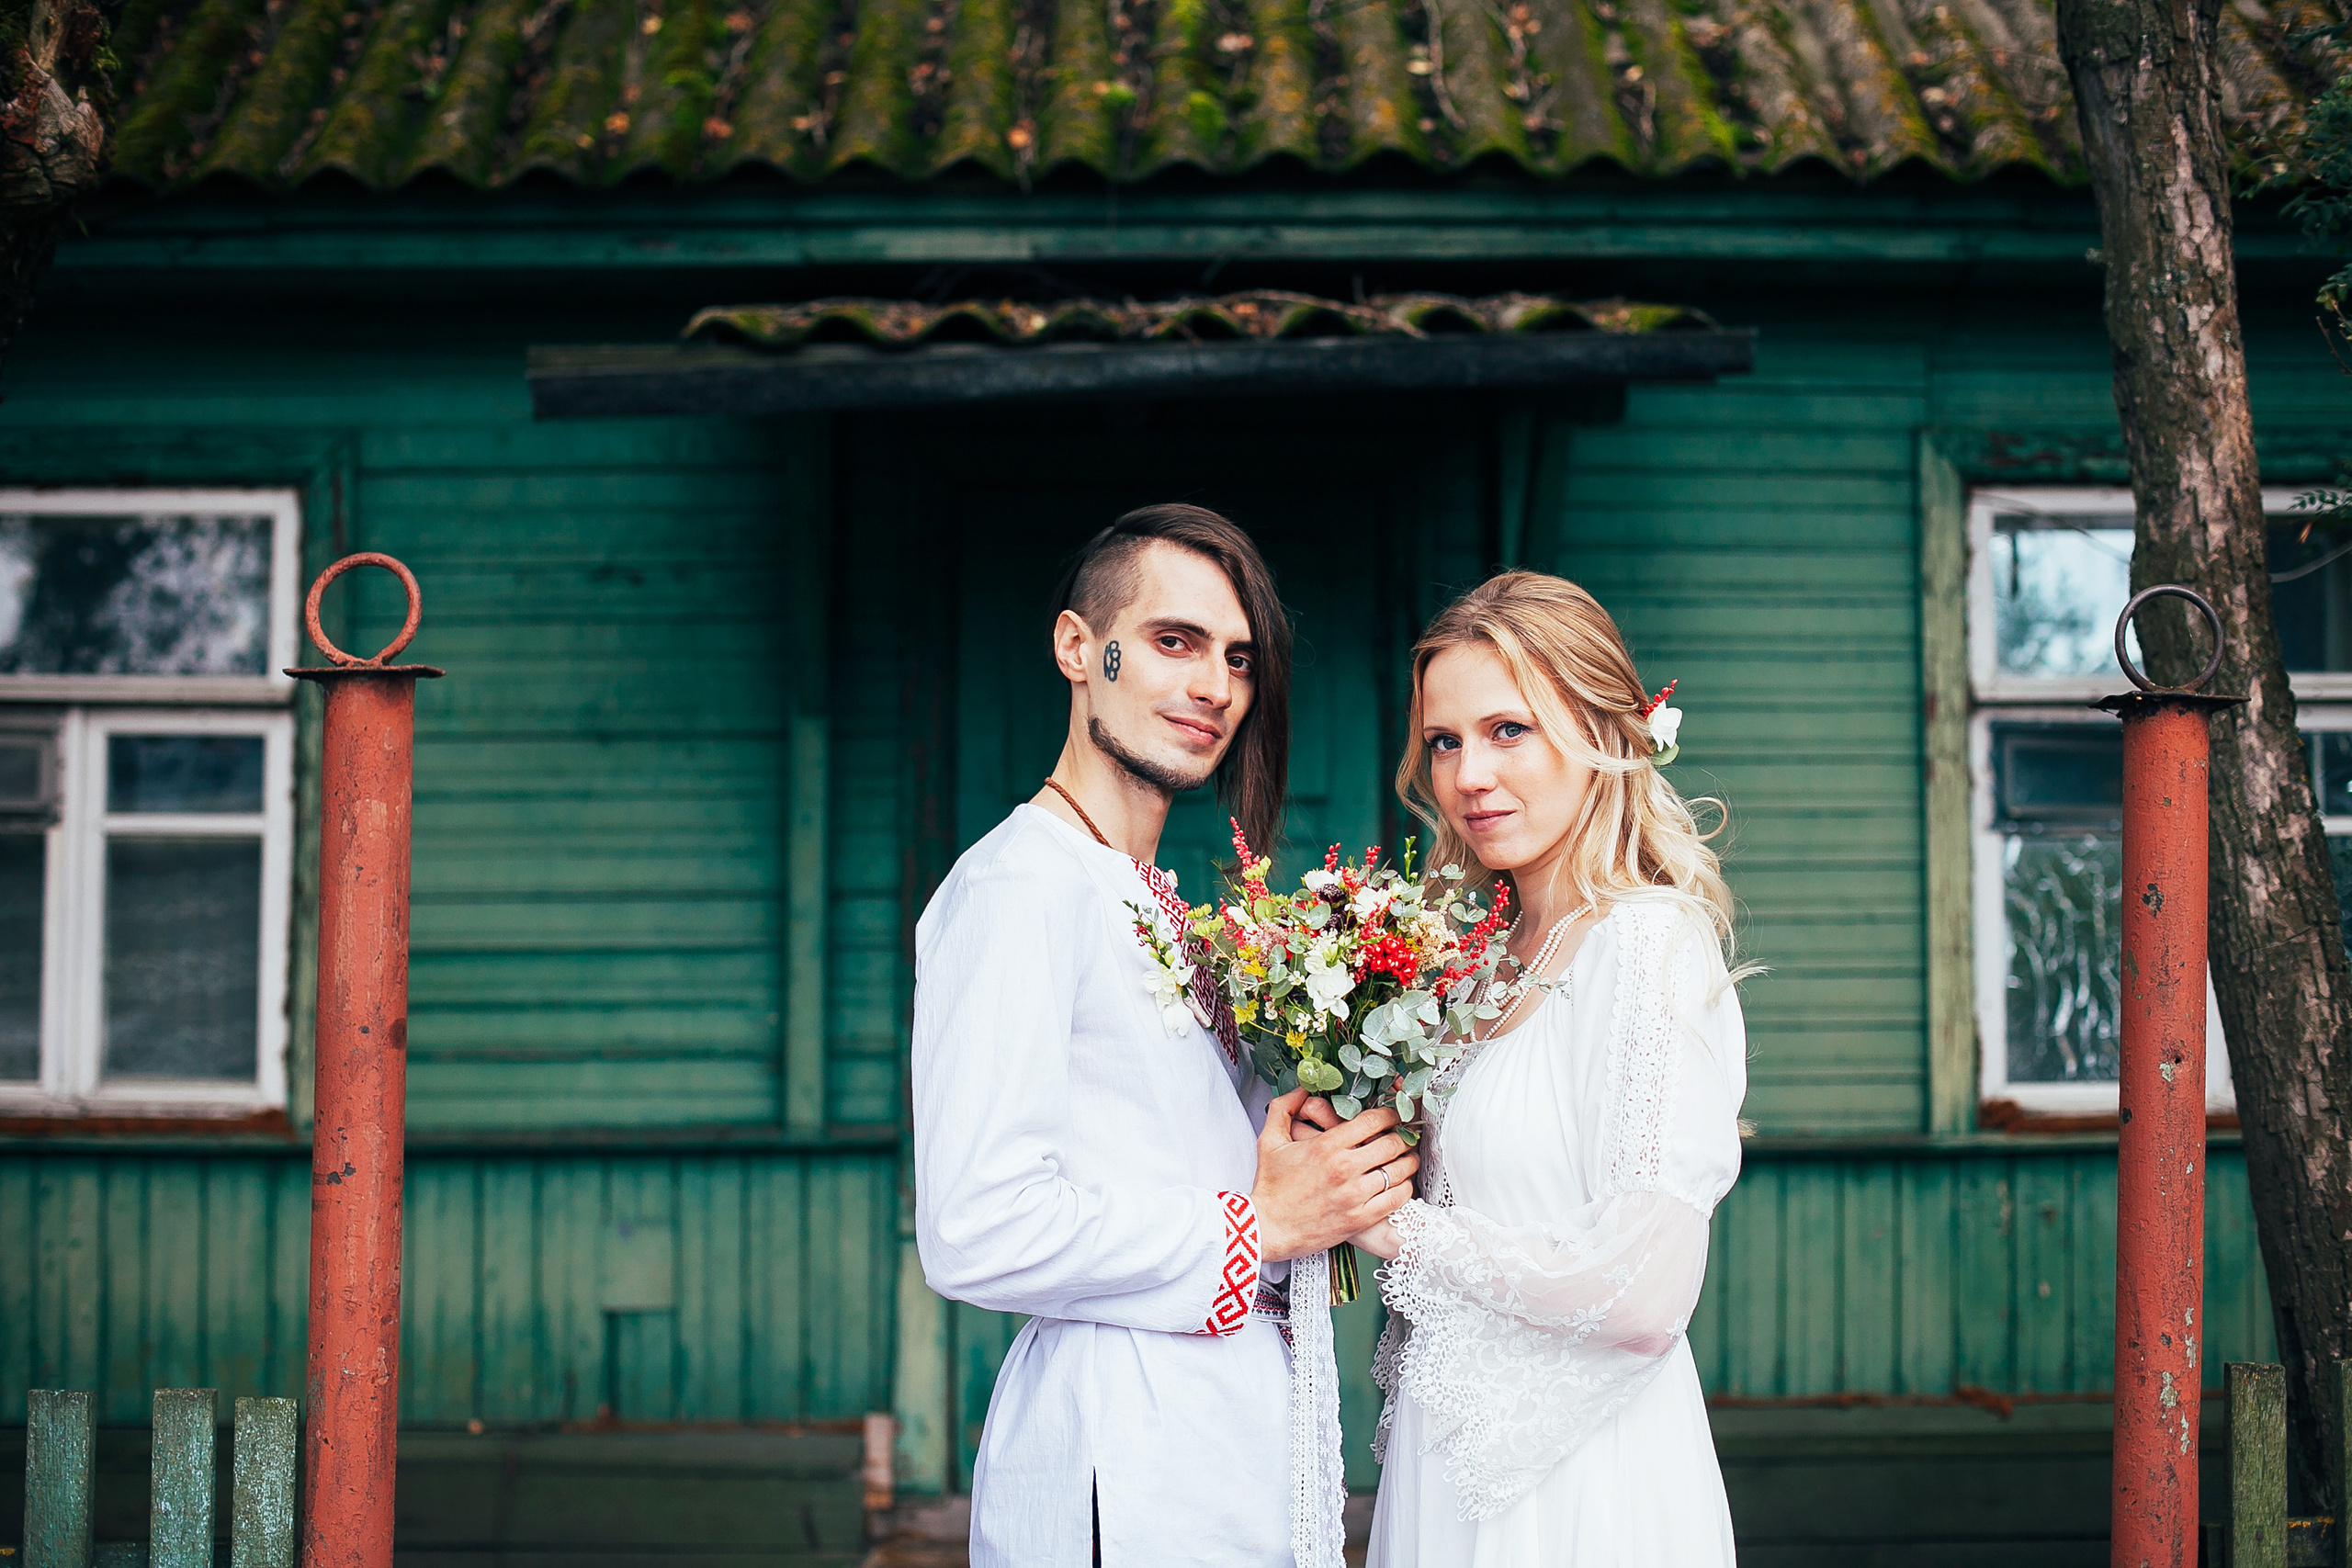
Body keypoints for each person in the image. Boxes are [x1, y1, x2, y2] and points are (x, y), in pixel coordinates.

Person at [912, 503, 1416, 1568]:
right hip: (1123, 1461)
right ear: (1075, 648)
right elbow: (975, 1226)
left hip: (1227, 1450)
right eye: (1172, 642)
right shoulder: (1017, 889)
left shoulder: (1152, 898)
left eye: (1238, 659)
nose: (1213, 687)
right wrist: (1258, 1224)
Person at [1357, 570, 1751, 1566]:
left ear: (1599, 737)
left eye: (1507, 731)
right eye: (1443, 742)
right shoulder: (1476, 967)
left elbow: (1643, 1292)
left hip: (1585, 1484)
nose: (1468, 776)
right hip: (1446, 1467)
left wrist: (1388, 1227)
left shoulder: (1646, 946)